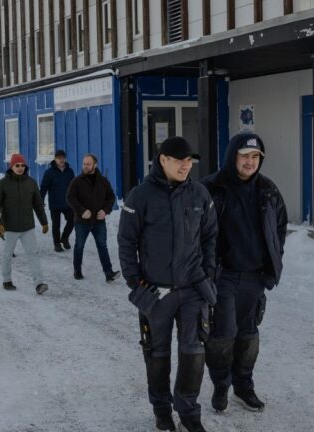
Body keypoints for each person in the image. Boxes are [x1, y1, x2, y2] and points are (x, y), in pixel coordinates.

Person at [118, 136, 218, 432]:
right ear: (163, 160)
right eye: (179, 161)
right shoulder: (140, 196)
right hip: (155, 292)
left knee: (194, 352)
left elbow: (210, 237)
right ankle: (161, 409)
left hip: (193, 289)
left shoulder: (200, 194)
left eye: (189, 161)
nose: (186, 166)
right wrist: (135, 282)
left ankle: (188, 411)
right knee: (156, 353)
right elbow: (126, 241)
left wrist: (208, 274)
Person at [201, 133, 287, 414]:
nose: (250, 162)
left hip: (254, 276)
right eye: (244, 156)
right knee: (223, 334)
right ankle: (221, 385)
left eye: (255, 157)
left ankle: (243, 385)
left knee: (249, 335)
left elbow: (279, 228)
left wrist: (272, 260)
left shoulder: (268, 190)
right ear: (232, 156)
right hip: (222, 276)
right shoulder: (211, 188)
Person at [0, 153, 49, 295]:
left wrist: (44, 221)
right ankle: (7, 280)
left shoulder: (31, 183)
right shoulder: (3, 184)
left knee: (33, 254)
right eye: (17, 165)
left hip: (27, 227)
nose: (20, 168)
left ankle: (39, 283)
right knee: (7, 255)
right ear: (12, 167)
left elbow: (38, 205)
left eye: (22, 165)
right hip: (9, 228)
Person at [66, 154, 120, 282]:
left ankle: (108, 273)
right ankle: (77, 271)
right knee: (79, 246)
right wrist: (81, 210)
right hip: (82, 221)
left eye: (88, 164)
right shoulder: (77, 181)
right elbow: (70, 198)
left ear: (95, 165)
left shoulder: (103, 181)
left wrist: (105, 210)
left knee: (102, 246)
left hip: (98, 221)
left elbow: (111, 197)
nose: (85, 166)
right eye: (84, 163)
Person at [40, 150, 75, 252]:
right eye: (59, 158)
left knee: (73, 220)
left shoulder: (70, 171)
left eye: (63, 158)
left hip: (67, 203)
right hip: (55, 203)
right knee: (56, 225)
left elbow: (74, 187)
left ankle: (64, 238)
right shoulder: (49, 173)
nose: (61, 160)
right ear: (55, 159)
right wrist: (40, 201)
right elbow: (43, 188)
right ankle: (57, 244)